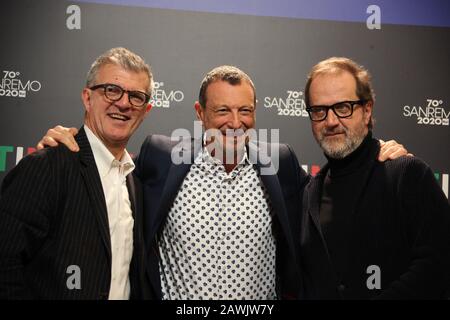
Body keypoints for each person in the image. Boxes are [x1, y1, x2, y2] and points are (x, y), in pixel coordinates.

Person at [35, 65, 408, 300]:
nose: (235, 121)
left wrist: (383, 151)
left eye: (245, 110)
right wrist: (70, 139)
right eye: (222, 110)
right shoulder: (160, 158)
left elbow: (335, 189)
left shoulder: (279, 163)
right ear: (200, 114)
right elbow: (108, 167)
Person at [0, 47, 153, 299]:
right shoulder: (46, 166)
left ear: (145, 110)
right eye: (111, 90)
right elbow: (6, 266)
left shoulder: (136, 180)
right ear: (87, 97)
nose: (124, 103)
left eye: (136, 96)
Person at [300, 56, 450, 299]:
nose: (330, 121)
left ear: (367, 110)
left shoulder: (406, 174)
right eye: (319, 110)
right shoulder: (310, 193)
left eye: (343, 107)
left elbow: (439, 263)